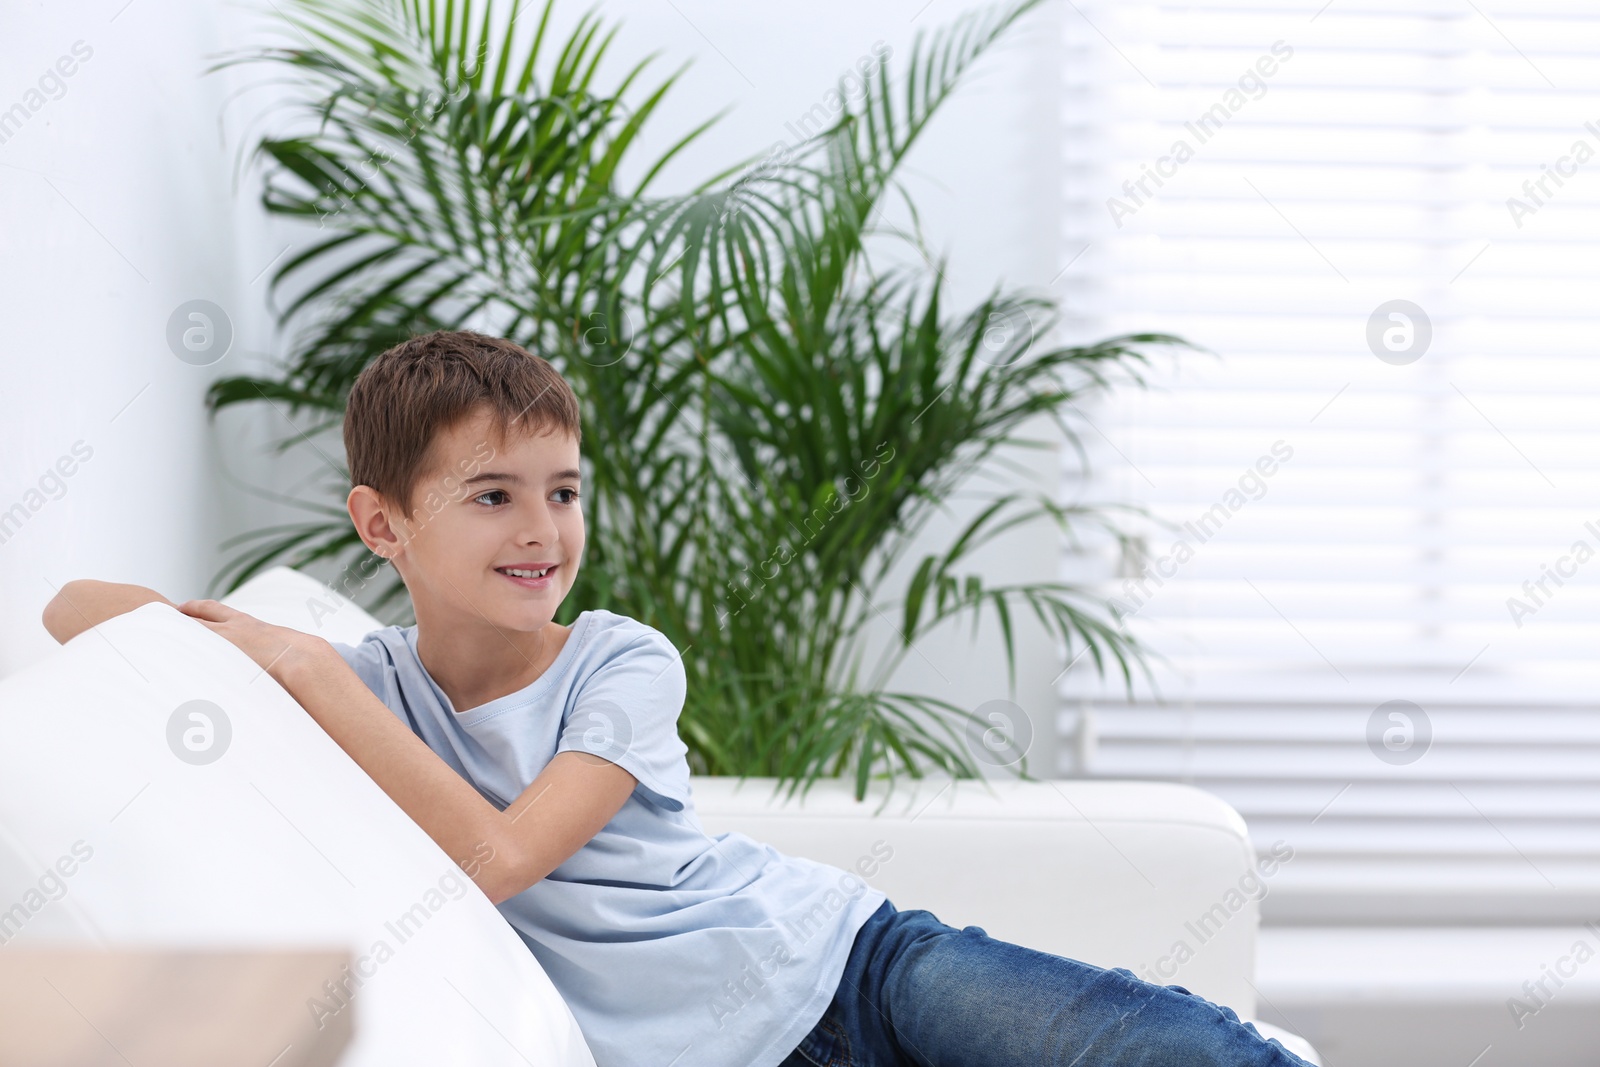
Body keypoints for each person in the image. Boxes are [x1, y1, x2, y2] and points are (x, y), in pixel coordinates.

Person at [43, 330, 1311, 1067]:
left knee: (1153, 1050)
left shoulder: (619, 659)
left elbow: (497, 855)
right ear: (381, 522)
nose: (545, 529)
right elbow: (70, 609)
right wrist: (278, 645)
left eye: (565, 488)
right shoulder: (376, 684)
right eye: (493, 494)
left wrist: (306, 664)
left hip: (843, 960)